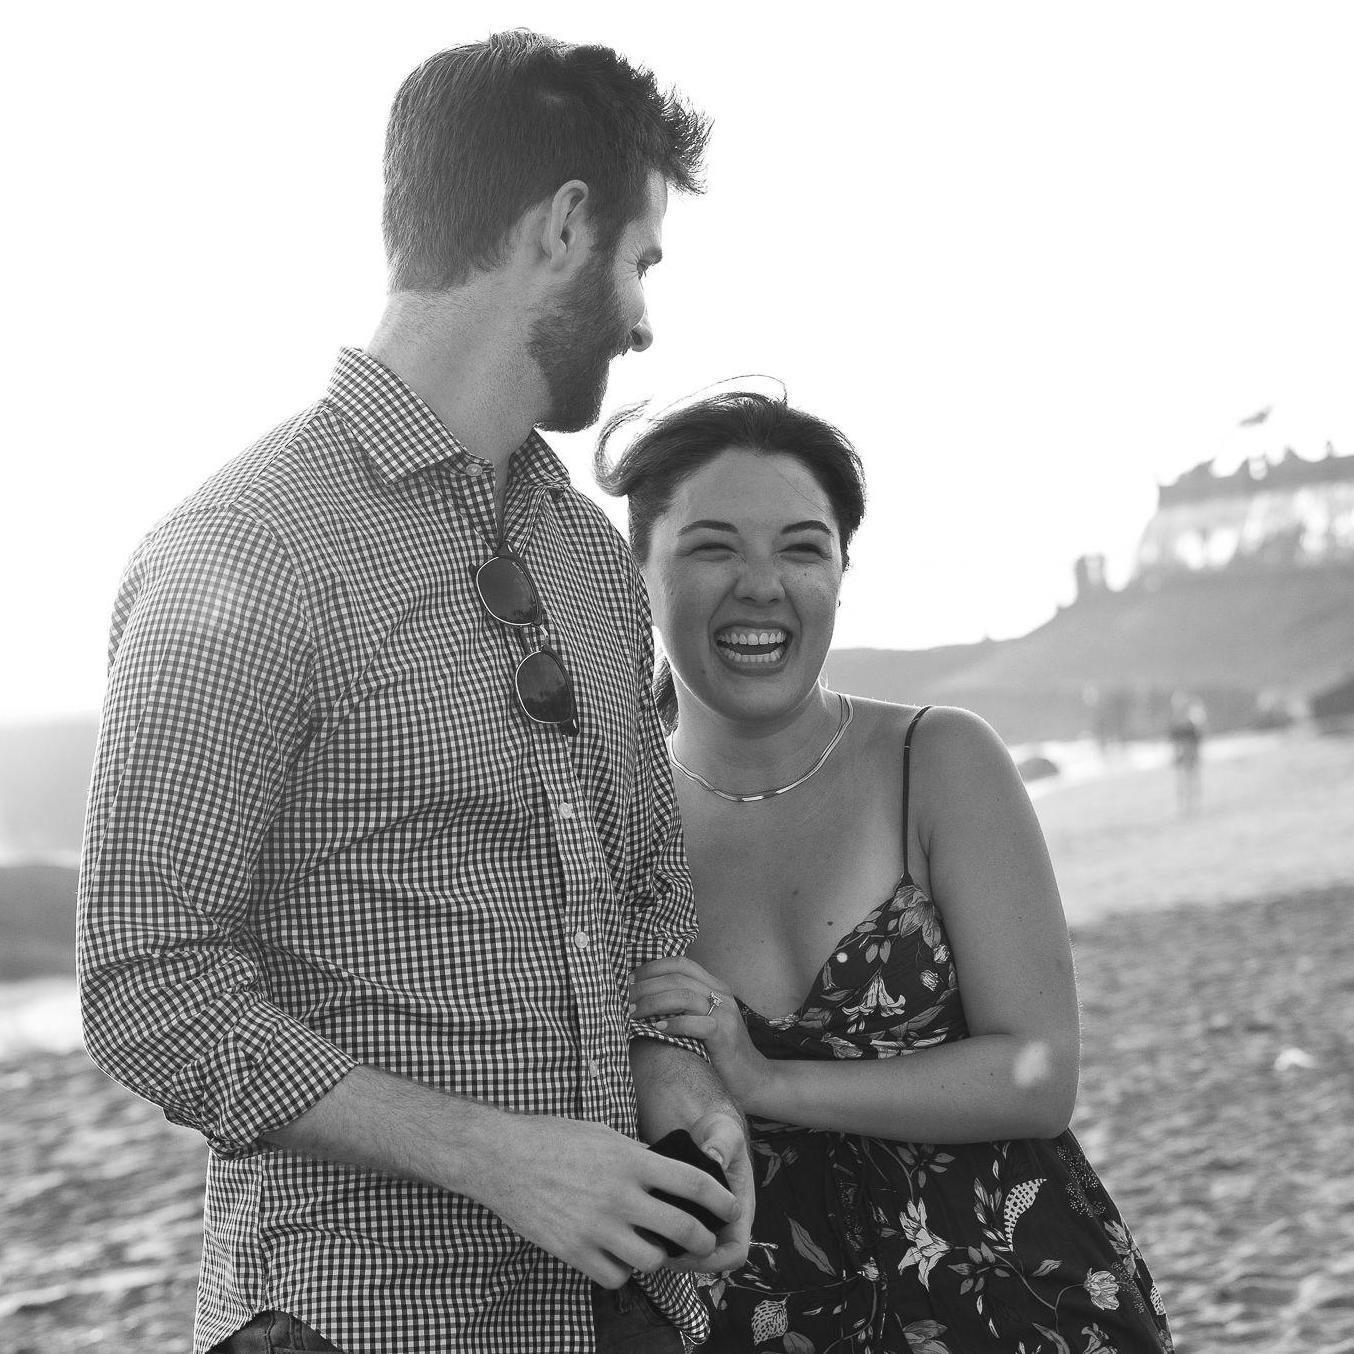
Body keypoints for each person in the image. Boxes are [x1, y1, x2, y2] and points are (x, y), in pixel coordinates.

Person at [77, 33, 753, 1354]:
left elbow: (646, 907)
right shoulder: (247, 551)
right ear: (563, 227)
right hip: (359, 1319)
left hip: (623, 1313)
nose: (646, 316)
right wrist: (502, 1159)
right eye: (640, 262)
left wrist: (682, 1093)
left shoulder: (592, 560)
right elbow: (148, 983)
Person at [598, 391, 1174, 1352]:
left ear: (840, 571)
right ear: (635, 572)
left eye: (801, 547)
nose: (761, 585)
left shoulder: (938, 762)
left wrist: (763, 1079)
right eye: (711, 547)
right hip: (756, 1314)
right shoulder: (611, 820)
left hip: (1016, 1294)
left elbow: (1036, 1075)